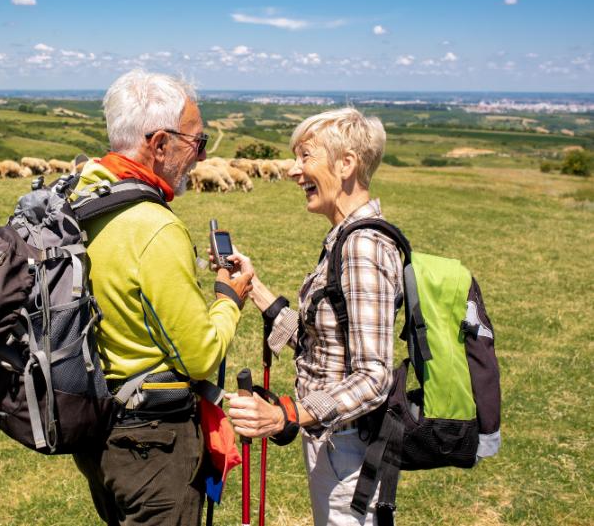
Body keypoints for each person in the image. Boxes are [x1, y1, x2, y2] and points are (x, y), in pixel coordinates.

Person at [71, 69, 254, 526]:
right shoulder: (154, 226)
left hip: (96, 429)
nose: (203, 155)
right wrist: (229, 298)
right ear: (159, 145)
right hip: (152, 445)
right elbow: (200, 356)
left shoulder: (83, 193)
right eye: (198, 141)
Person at [226, 108, 403, 526]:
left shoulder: (362, 249)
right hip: (335, 441)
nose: (293, 170)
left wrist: (288, 414)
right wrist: (255, 288)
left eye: (306, 156)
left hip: (350, 450)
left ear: (346, 165)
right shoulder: (344, 239)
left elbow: (374, 376)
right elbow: (322, 342)